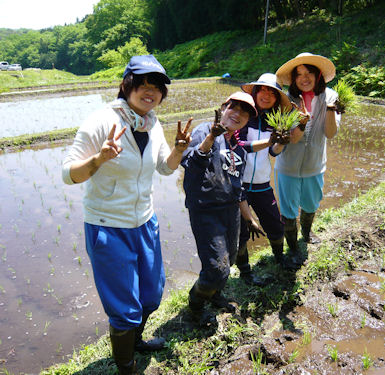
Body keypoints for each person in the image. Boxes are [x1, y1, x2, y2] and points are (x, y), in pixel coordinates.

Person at [62, 55, 192, 375]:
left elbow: (164, 168)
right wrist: (99, 158)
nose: (150, 91)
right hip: (108, 226)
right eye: (142, 84)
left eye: (156, 86)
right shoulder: (101, 121)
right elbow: (68, 174)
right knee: (124, 307)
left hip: (145, 222)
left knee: (151, 294)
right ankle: (126, 366)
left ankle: (136, 340)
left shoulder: (153, 122)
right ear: (127, 85)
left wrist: (178, 149)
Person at [181, 92, 263, 324]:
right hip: (206, 210)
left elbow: (237, 186)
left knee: (231, 259)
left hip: (230, 211)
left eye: (245, 112)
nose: (238, 114)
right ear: (223, 107)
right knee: (217, 269)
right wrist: (210, 138)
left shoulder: (237, 145)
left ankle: (215, 295)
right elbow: (189, 162)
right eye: (234, 108)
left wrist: (248, 217)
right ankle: (195, 309)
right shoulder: (204, 131)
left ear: (247, 120)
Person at [275, 52, 341, 264]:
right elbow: (291, 139)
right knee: (288, 210)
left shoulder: (331, 97)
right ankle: (293, 248)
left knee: (311, 204)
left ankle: (307, 234)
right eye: (299, 74)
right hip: (287, 167)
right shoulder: (285, 100)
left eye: (309, 72)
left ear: (318, 74)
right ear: (293, 79)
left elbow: (330, 133)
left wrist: (330, 110)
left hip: (315, 164)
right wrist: (301, 121)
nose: (304, 78)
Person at [235, 73, 294, 284]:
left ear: (277, 98)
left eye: (272, 92)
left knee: (275, 225)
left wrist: (281, 142)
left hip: (261, 184)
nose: (267, 95)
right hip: (238, 185)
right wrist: (269, 141)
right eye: (263, 90)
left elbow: (274, 153)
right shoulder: (243, 115)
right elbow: (239, 146)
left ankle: (280, 258)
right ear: (256, 92)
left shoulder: (275, 121)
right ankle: (245, 273)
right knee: (240, 232)